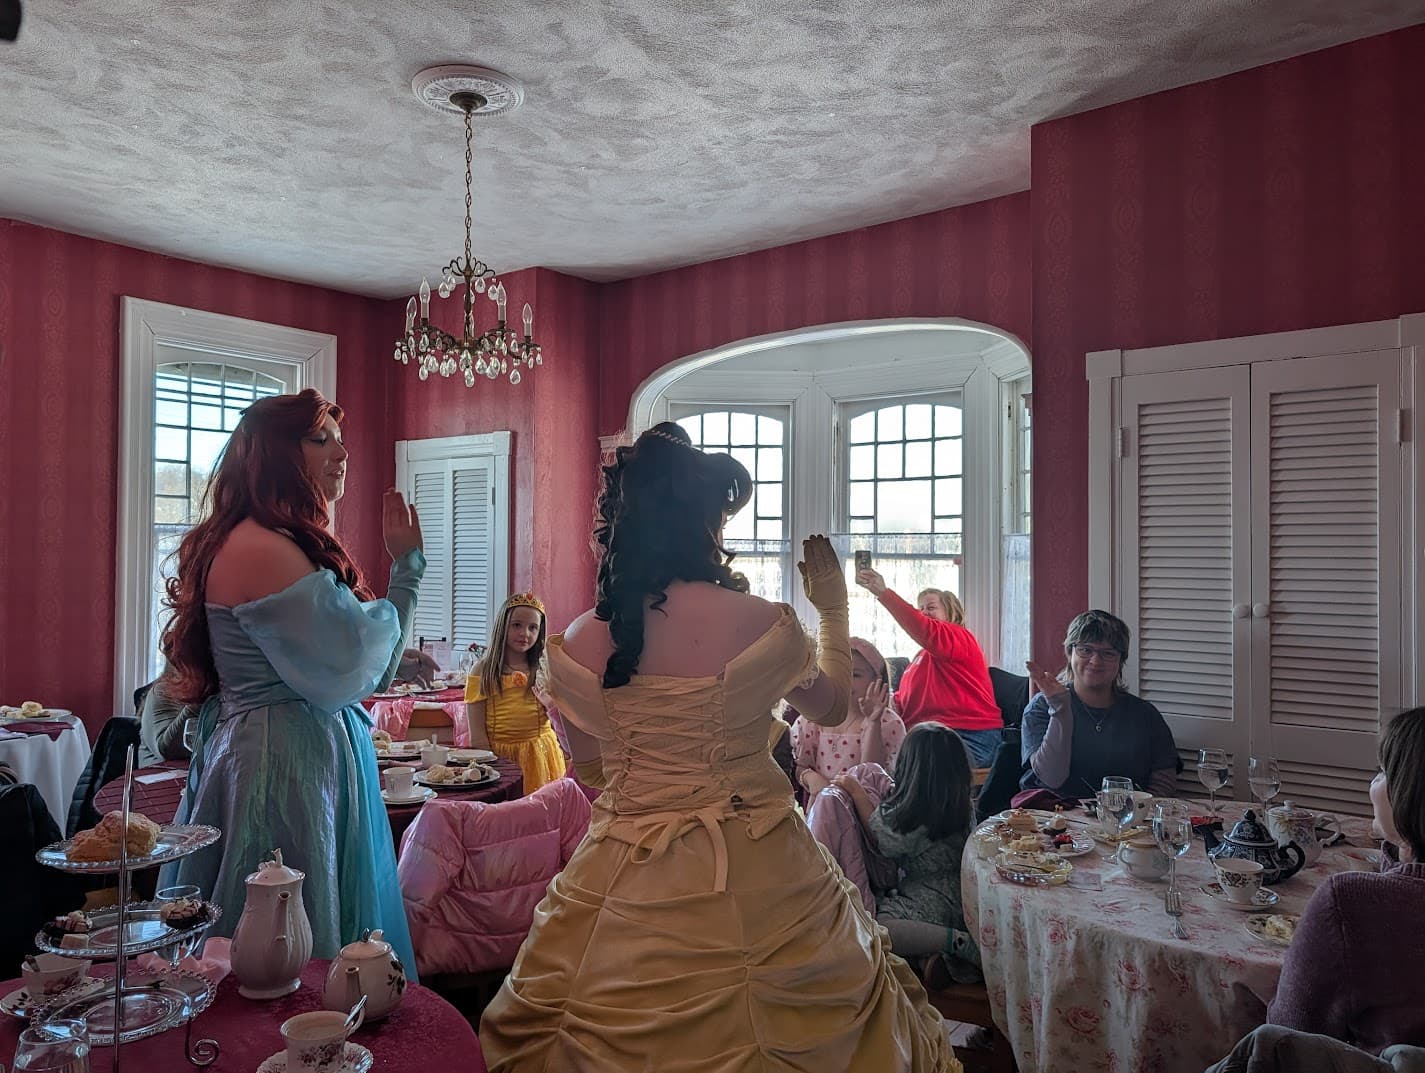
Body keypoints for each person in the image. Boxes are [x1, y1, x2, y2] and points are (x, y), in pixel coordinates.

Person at [479, 422, 958, 1072]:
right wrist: (832, 610)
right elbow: (835, 706)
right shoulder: (758, 620)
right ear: (705, 521)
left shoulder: (577, 640)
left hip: (625, 868)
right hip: (755, 859)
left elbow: (590, 770)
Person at [157, 388, 421, 975]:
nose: (341, 452)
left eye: (338, 438)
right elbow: (360, 668)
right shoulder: (263, 547)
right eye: (319, 439)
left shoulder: (258, 540)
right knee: (281, 934)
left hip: (279, 748)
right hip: (282, 764)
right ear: (275, 454)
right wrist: (408, 570)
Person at [1267, 707, 1425, 1052]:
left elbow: (1285, 1038)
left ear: (1411, 793)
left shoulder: (1350, 903)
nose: (1372, 783)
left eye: (1383, 773)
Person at [812, 724, 981, 986]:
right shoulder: (956, 804)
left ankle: (956, 943)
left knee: (878, 927)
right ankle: (928, 958)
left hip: (931, 899)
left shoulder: (922, 815)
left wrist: (856, 791)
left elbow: (885, 840)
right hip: (959, 894)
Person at [1021, 610, 1177, 798]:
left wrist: (1143, 814)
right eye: (1086, 650)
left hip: (1126, 821)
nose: (1095, 661)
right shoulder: (1040, 708)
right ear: (1070, 653)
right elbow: (1051, 778)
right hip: (1057, 820)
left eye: (1108, 653)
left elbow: (1164, 778)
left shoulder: (1144, 714)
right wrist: (1059, 708)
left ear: (1121, 660)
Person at [854, 571, 1002, 767]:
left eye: (931, 607)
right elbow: (905, 698)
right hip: (928, 736)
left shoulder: (959, 637)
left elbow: (924, 628)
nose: (923, 612)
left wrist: (883, 593)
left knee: (906, 767)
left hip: (966, 737)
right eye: (920, 608)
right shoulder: (922, 657)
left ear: (951, 612)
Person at [464, 591, 567, 794]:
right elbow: (477, 735)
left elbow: (560, 717)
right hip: (500, 756)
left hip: (541, 754)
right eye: (517, 625)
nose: (525, 633)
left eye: (532, 627)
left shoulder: (544, 668)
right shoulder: (483, 671)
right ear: (503, 626)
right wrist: (490, 765)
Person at [790, 636, 906, 797]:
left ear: (877, 680)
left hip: (865, 813)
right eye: (838, 672)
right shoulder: (812, 719)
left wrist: (873, 722)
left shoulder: (888, 723)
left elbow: (872, 775)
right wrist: (811, 778)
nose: (845, 681)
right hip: (822, 813)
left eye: (856, 675)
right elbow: (802, 767)